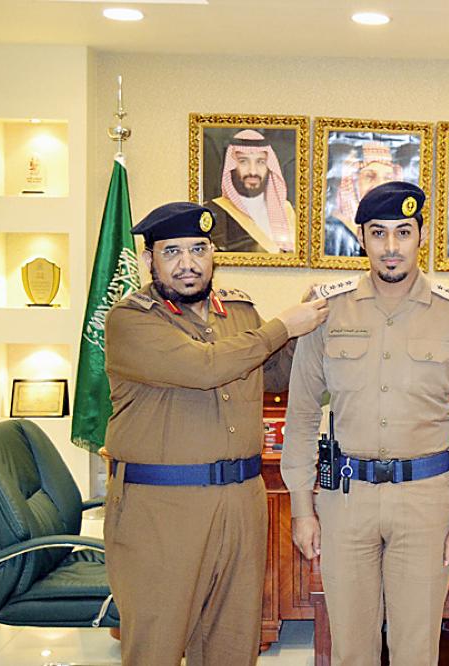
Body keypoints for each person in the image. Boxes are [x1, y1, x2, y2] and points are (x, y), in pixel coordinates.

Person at [103, 201, 328, 665]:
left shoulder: (238, 312)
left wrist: (304, 332)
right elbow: (203, 368)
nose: (187, 263)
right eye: (172, 252)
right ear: (149, 260)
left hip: (241, 502)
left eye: (198, 250)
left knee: (233, 644)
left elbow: (273, 375)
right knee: (156, 646)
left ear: (213, 255)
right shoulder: (131, 320)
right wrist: (282, 326)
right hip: (161, 509)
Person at [282, 181, 449, 665]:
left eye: (403, 232)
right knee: (350, 649)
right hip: (345, 499)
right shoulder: (327, 310)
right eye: (378, 233)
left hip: (425, 501)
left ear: (422, 236)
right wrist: (300, 507)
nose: (391, 246)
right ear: (361, 238)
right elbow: (303, 412)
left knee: (416, 649)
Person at [206, 129, 297, 253]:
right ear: (231, 167)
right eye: (243, 161)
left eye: (261, 162)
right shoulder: (216, 211)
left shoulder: (285, 209)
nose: (253, 171)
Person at [322, 140, 402, 257]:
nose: (380, 185)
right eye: (369, 176)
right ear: (353, 180)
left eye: (387, 178)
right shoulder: (334, 230)